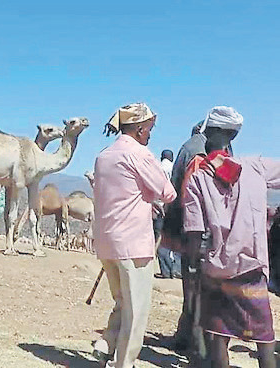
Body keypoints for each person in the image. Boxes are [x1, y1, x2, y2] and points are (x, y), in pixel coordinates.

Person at [183, 106, 279, 368]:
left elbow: (193, 231)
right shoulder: (256, 166)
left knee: (218, 336)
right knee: (264, 337)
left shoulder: (197, 177)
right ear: (233, 137)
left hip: (218, 270)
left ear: (209, 133)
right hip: (253, 268)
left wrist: (193, 266)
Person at [92, 103, 177, 368]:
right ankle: (124, 363)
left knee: (122, 300)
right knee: (136, 309)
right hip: (133, 243)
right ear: (139, 129)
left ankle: (105, 343)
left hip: (107, 241)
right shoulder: (139, 154)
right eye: (149, 129)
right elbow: (167, 192)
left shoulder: (104, 155)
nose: (150, 135)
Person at [164, 115, 237, 357]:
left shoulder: (189, 148)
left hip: (195, 231)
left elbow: (175, 189)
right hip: (212, 234)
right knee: (204, 292)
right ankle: (200, 345)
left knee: (193, 289)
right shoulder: (221, 154)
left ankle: (191, 341)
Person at [155, 149, 182, 279]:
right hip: (176, 207)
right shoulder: (175, 167)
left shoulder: (158, 168)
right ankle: (176, 269)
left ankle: (166, 271)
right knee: (175, 239)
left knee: (161, 240)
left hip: (160, 207)